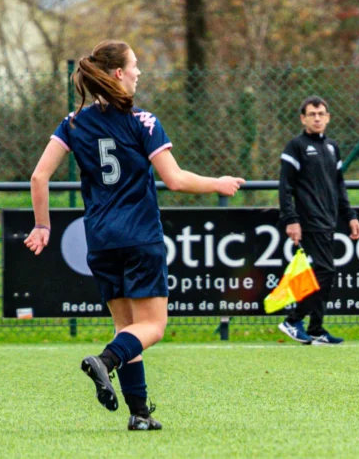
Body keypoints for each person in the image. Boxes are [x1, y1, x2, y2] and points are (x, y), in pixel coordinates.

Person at [24, 40, 245, 430]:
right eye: (135, 65)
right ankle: (104, 361)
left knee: (129, 331)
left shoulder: (73, 123)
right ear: (118, 73)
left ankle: (139, 414)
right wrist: (218, 183)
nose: (139, 72)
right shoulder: (143, 121)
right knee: (152, 327)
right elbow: (175, 180)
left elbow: (39, 176)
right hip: (140, 237)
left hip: (100, 240)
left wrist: (43, 226)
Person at [277, 96, 359, 345]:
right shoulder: (295, 146)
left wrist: (350, 216)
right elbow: (285, 187)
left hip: (328, 220)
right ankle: (293, 320)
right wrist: (291, 220)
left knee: (324, 274)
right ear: (303, 119)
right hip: (308, 220)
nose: (317, 118)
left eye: (321, 114)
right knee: (325, 272)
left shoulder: (332, 147)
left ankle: (315, 328)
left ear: (328, 118)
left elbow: (339, 185)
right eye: (312, 114)